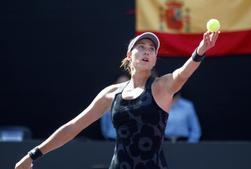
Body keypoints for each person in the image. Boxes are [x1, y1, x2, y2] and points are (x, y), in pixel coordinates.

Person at [15, 31, 219, 169]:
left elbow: (182, 74)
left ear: (155, 58)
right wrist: (34, 154)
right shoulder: (110, 94)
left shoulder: (162, 86)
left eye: (152, 49)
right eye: (141, 46)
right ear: (130, 55)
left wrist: (200, 50)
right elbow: (74, 127)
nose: (147, 50)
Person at [101, 92, 202, 143]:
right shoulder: (156, 103)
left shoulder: (187, 106)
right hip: (162, 144)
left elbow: (195, 130)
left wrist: (190, 144)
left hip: (183, 143)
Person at [100, 75, 129, 141]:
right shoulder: (108, 101)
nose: (123, 86)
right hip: (111, 140)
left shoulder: (137, 101)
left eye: (126, 83)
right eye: (120, 83)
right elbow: (104, 124)